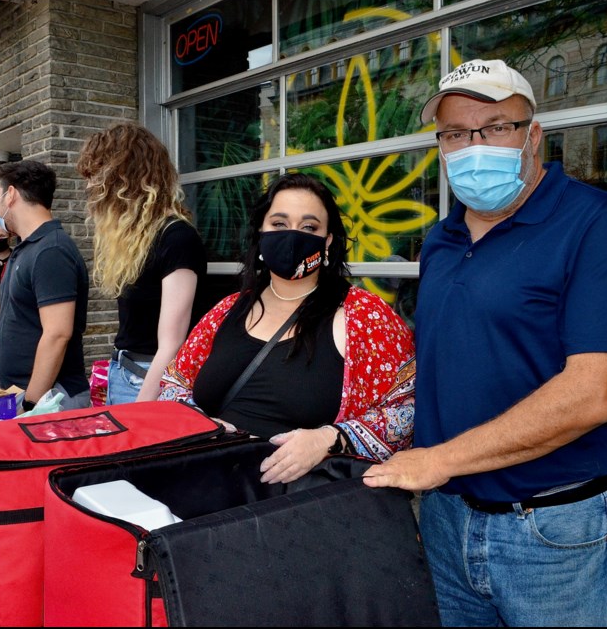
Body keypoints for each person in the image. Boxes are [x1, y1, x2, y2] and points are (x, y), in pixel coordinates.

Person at [362, 59, 607, 627]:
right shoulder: (440, 240)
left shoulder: (601, 225)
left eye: (495, 126)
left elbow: (595, 393)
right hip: (447, 516)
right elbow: (456, 357)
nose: (473, 145)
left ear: (534, 135)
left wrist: (438, 460)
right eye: (454, 133)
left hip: (550, 530)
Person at [159, 172, 415, 484]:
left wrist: (331, 439)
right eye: (279, 224)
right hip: (204, 494)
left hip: (296, 514)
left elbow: (407, 411)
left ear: (328, 241)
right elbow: (174, 383)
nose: (292, 236)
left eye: (309, 227)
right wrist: (198, 424)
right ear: (261, 231)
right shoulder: (226, 310)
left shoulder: (366, 317)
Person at [77, 122, 207, 404]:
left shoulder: (177, 238)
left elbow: (172, 344)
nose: (90, 186)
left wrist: (142, 408)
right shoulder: (137, 238)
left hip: (149, 382)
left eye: (96, 175)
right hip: (123, 372)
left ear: (125, 176)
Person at [0, 160, 91, 411]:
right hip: (23, 393)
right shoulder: (26, 248)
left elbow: (57, 334)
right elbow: (6, 311)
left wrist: (31, 403)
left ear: (10, 195)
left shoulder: (51, 250)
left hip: (50, 398)